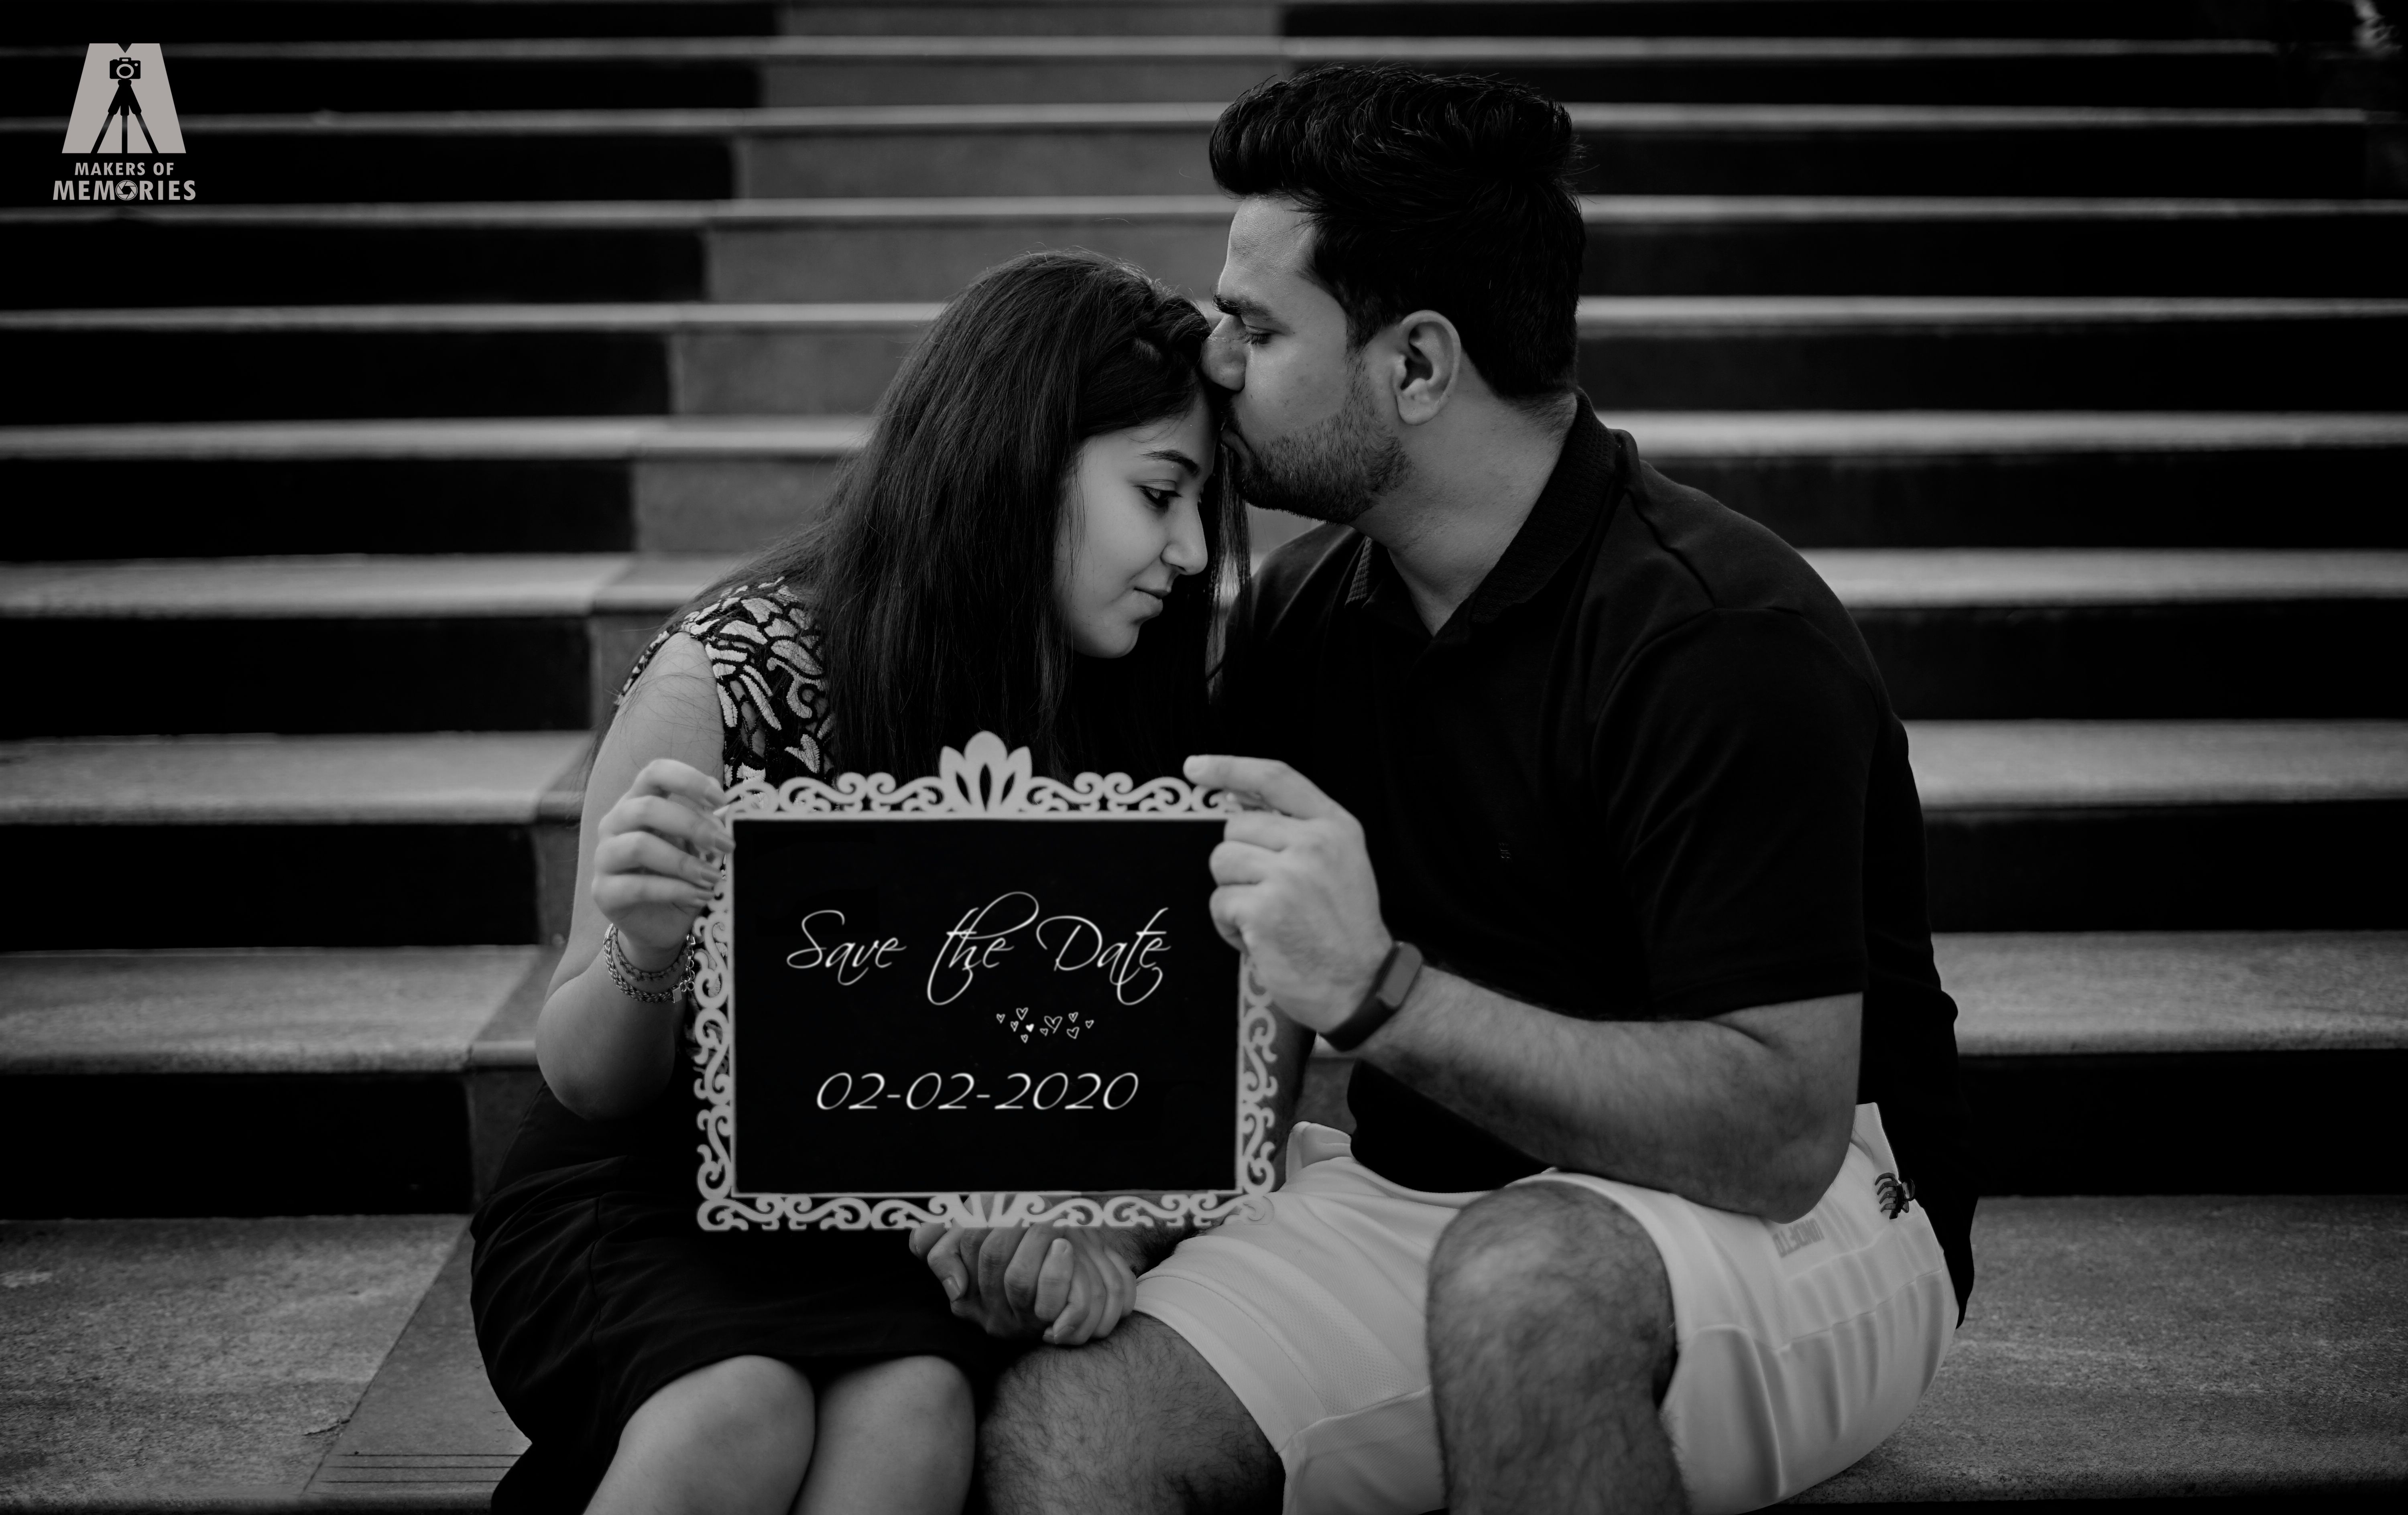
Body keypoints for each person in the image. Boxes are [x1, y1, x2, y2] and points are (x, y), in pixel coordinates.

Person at [929, 66, 1978, 1515]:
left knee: (1523, 1287)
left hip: (1810, 1217)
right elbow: (1245, 1048)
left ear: (1417, 365)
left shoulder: (1718, 633)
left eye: (1259, 327)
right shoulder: (1301, 615)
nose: (1214, 361)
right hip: (1421, 1201)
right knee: (1068, 1429)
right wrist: (1106, 1225)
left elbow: (1780, 1131)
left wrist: (1384, 997)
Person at [469, 250, 1245, 1515]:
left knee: (918, 1415)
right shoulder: (735, 675)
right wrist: (647, 951)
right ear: (1018, 461)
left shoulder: (1138, 705)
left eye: (1201, 504)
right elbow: (586, 1078)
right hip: (656, 1193)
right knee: (737, 1412)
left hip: (894, 1225)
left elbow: (1148, 1069)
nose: (1192, 549)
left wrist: (1089, 1222)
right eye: (1160, 494)